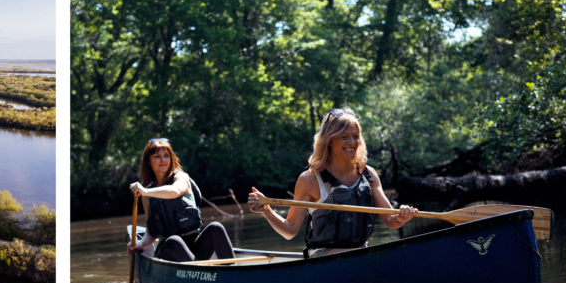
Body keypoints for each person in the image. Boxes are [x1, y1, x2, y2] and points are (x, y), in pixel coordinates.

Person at [247, 107, 417, 257]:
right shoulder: (310, 179)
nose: (352, 142)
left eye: (355, 136)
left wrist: (403, 216)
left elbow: (392, 221)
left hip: (361, 254)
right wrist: (266, 210)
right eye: (344, 137)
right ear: (330, 140)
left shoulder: (369, 175)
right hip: (324, 257)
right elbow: (290, 230)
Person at [126, 138, 235, 262]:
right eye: (157, 156)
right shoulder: (146, 195)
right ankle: (197, 274)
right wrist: (140, 245)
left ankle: (232, 273)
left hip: (193, 247)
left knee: (216, 228)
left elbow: (176, 191)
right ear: (148, 162)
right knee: (174, 240)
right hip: (168, 250)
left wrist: (145, 191)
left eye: (166, 156)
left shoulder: (181, 177)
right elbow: (151, 232)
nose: (163, 160)